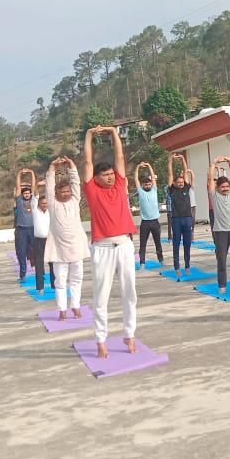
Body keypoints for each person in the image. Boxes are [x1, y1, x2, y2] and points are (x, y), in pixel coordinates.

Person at [82, 126, 138, 358]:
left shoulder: (120, 185)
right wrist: (89, 135)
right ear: (95, 178)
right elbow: (87, 162)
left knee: (129, 293)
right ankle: (100, 340)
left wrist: (114, 133)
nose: (110, 176)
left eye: (111, 173)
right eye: (105, 174)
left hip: (124, 245)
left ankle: (129, 334)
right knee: (101, 297)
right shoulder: (92, 191)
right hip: (102, 248)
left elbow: (120, 157)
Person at [45, 156, 88, 321]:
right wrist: (52, 168)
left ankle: (76, 307)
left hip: (76, 247)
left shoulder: (75, 200)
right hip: (58, 250)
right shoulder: (52, 204)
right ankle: (62, 310)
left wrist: (71, 165)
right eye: (63, 192)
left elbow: (76, 183)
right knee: (60, 282)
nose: (66, 193)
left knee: (77, 280)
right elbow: (49, 186)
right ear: (57, 193)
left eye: (68, 191)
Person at [208, 157, 230, 294]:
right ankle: (222, 285)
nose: (225, 188)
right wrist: (213, 163)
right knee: (221, 260)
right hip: (221, 232)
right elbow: (210, 179)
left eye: (227, 186)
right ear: (217, 188)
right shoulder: (214, 195)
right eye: (222, 187)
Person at [164, 153, 196, 276]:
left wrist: (183, 159)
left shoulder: (186, 188)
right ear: (174, 183)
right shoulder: (172, 189)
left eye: (182, 182)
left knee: (187, 244)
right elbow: (170, 174)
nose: (181, 183)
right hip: (176, 220)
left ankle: (187, 266)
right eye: (179, 182)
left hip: (187, 219)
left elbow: (185, 172)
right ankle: (177, 267)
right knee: (176, 244)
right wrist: (170, 160)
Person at [134, 161, 165, 268]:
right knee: (143, 244)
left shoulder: (154, 190)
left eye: (149, 184)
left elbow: (152, 176)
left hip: (155, 221)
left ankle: (161, 260)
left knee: (158, 243)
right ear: (142, 185)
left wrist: (149, 165)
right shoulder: (141, 191)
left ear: (151, 184)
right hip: (145, 222)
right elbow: (136, 179)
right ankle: (142, 263)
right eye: (145, 184)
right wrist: (138, 166)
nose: (147, 185)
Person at [13, 170, 35, 281]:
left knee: (36, 252)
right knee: (21, 253)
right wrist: (19, 174)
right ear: (22, 194)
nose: (26, 194)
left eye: (28, 193)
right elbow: (18, 187)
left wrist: (31, 173)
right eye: (24, 193)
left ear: (30, 194)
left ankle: (39, 272)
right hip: (21, 230)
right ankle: (22, 275)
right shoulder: (19, 201)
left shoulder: (34, 201)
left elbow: (34, 187)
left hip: (33, 229)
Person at [31, 189, 52, 292]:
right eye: (42, 203)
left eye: (46, 203)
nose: (44, 205)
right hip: (38, 241)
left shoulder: (50, 212)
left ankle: (55, 285)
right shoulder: (35, 211)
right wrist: (37, 186)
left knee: (53, 263)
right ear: (39, 204)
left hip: (50, 240)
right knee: (39, 264)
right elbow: (35, 195)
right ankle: (40, 287)